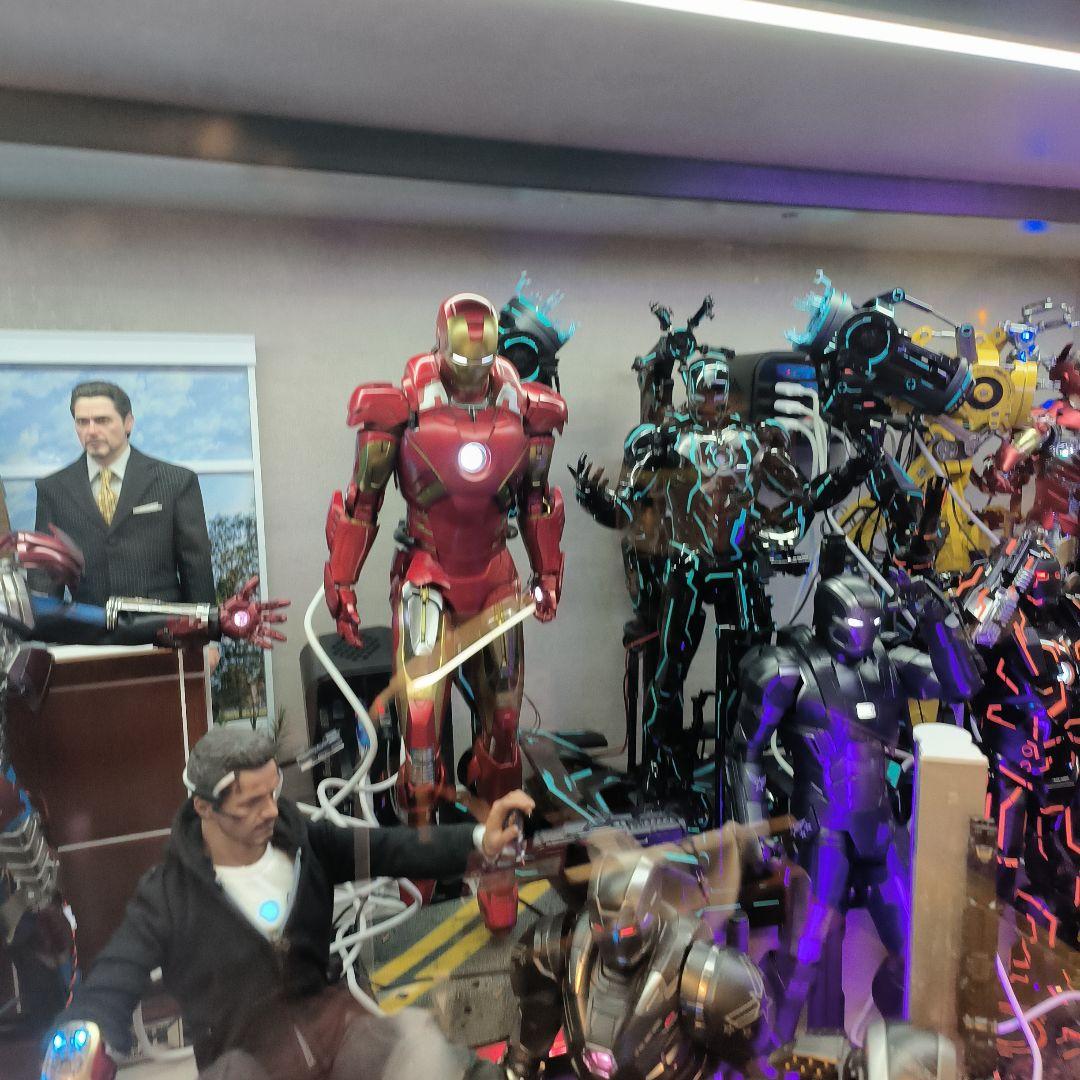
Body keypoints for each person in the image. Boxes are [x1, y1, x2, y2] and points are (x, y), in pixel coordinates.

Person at [49, 726, 532, 1079]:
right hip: (244, 1064)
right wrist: (81, 1035)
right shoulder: (168, 896)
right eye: (250, 804)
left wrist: (479, 839)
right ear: (204, 808)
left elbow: (389, 849)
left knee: (415, 1045)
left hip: (331, 1037)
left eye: (272, 794)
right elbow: (115, 973)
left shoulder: (304, 842)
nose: (271, 811)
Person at [33, 380, 215, 608]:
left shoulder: (175, 482)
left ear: (128, 422)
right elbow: (46, 574)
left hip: (161, 625)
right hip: (88, 626)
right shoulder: (53, 489)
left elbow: (196, 566)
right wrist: (40, 626)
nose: (91, 430)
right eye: (82, 422)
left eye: (102, 420)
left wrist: (205, 626)